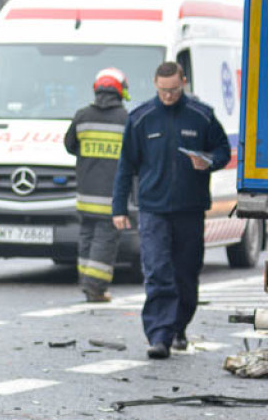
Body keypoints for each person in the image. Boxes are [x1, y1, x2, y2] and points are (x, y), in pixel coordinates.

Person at [111, 61, 231, 359]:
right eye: (163, 90)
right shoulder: (141, 118)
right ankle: (159, 335)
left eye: (174, 90)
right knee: (157, 271)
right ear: (155, 84)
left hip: (190, 210)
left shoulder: (201, 116)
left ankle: (178, 326)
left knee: (186, 274)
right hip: (153, 209)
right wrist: (118, 207)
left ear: (184, 82)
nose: (168, 96)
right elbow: (126, 165)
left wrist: (209, 161)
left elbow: (223, 151)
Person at [64, 68, 131, 302]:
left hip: (85, 194)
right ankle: (96, 288)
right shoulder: (126, 120)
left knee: (87, 238)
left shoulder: (82, 116)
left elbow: (70, 145)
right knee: (104, 241)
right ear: (121, 91)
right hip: (111, 196)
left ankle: (86, 283)